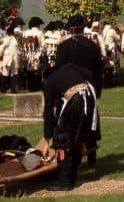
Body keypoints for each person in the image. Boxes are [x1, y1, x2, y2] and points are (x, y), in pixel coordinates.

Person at [38, 53, 100, 191]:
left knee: (61, 139)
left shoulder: (49, 83)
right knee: (78, 137)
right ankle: (73, 174)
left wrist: (48, 138)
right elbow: (90, 74)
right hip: (89, 96)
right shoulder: (70, 69)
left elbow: (48, 112)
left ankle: (64, 181)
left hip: (76, 99)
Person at [54, 15, 104, 167]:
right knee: (90, 123)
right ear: (83, 28)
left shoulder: (64, 47)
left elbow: (59, 71)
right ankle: (92, 157)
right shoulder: (93, 46)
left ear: (70, 28)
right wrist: (97, 91)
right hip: (89, 89)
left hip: (70, 91)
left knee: (68, 124)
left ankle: (69, 159)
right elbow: (98, 71)